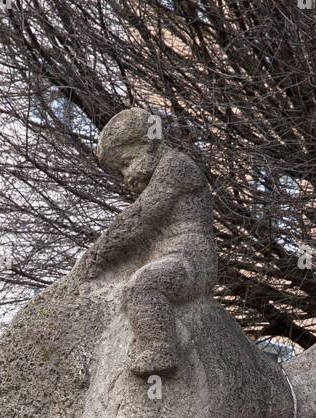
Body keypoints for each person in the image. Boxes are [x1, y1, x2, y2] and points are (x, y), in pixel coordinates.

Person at [76, 108, 218, 376]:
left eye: (128, 162)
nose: (127, 174)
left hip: (192, 261)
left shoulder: (176, 166)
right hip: (169, 256)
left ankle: (160, 349)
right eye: (121, 169)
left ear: (148, 143)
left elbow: (140, 218)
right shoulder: (163, 170)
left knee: (143, 286)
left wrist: (96, 257)